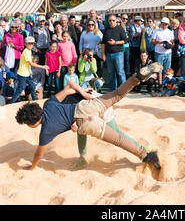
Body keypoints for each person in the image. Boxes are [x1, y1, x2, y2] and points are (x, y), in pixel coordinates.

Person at [15, 65, 162, 171]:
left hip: (85, 123)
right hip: (85, 106)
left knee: (118, 139)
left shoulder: (45, 132)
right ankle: (137, 77)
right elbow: (66, 90)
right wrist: (83, 92)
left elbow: (39, 154)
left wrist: (32, 166)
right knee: (117, 93)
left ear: (31, 123)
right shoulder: (48, 104)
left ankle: (147, 156)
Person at [10, 36, 49, 103]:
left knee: (32, 86)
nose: (31, 45)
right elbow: (32, 64)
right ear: (25, 44)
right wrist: (43, 67)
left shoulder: (29, 51)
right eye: (29, 43)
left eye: (32, 43)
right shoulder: (26, 52)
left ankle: (35, 102)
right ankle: (11, 103)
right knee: (19, 90)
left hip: (26, 73)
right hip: (23, 74)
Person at [102, 15, 127, 91]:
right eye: (110, 20)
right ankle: (113, 91)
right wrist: (103, 54)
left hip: (118, 53)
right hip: (109, 54)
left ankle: (124, 90)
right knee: (111, 73)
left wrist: (115, 42)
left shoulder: (120, 28)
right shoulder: (106, 29)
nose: (111, 22)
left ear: (116, 20)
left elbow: (125, 41)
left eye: (113, 20)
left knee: (120, 72)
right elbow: (104, 42)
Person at [120, 14, 132, 79]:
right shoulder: (118, 26)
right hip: (119, 47)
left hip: (126, 46)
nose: (125, 20)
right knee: (120, 63)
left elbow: (130, 37)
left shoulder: (128, 27)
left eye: (126, 19)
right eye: (123, 18)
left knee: (127, 62)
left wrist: (124, 40)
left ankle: (127, 77)